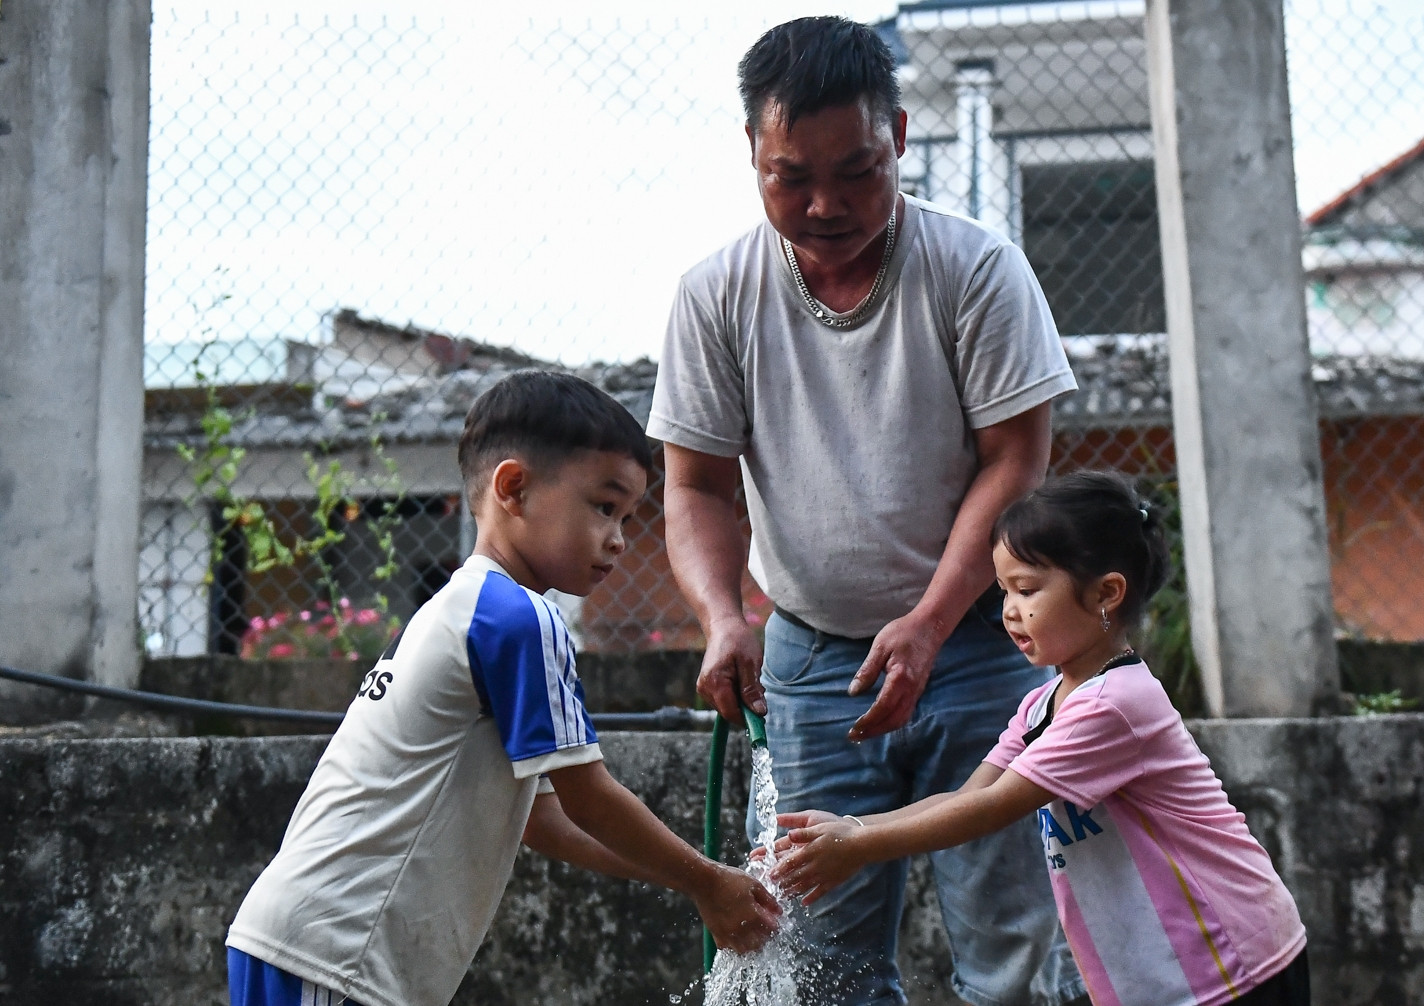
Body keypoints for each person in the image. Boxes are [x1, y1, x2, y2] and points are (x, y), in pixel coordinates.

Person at [648, 15, 1084, 1006]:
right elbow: (696, 485)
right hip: (810, 665)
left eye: (856, 171)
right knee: (826, 968)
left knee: (1009, 953)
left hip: (981, 644)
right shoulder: (716, 295)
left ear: (896, 134)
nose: (824, 204)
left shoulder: (976, 269)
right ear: (752, 154)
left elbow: (1017, 460)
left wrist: (930, 621)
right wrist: (724, 618)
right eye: (791, 176)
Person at [224, 371, 780, 1006]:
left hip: (304, 942)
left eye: (628, 516)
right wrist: (708, 883)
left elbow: (544, 817)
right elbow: (588, 795)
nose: (621, 539)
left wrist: (697, 879)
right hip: (339, 953)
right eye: (604, 506)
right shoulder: (517, 618)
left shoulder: (461, 607)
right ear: (513, 488)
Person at [770, 471, 1311, 1006]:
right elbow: (968, 797)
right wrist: (854, 826)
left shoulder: (1113, 705)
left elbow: (993, 809)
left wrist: (860, 845)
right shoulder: (1042, 704)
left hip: (1234, 963)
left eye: (1026, 589)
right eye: (1002, 589)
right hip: (1170, 973)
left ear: (1106, 593)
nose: (1009, 610)